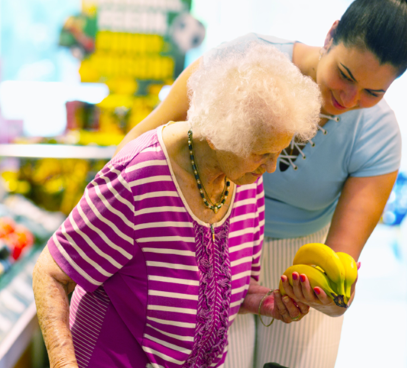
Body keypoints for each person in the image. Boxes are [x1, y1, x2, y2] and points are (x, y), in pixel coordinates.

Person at [113, 0, 407, 367]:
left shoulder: (380, 136)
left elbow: (341, 257)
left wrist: (330, 296)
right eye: (345, 74)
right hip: (205, 242)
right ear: (331, 34)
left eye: (373, 93)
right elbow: (135, 152)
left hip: (300, 255)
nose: (349, 99)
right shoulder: (244, 61)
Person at [32, 43, 322, 368]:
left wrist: (268, 303)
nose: (271, 168)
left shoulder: (244, 181)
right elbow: (51, 273)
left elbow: (225, 290)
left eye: (278, 152)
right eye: (261, 154)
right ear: (217, 134)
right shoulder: (138, 179)